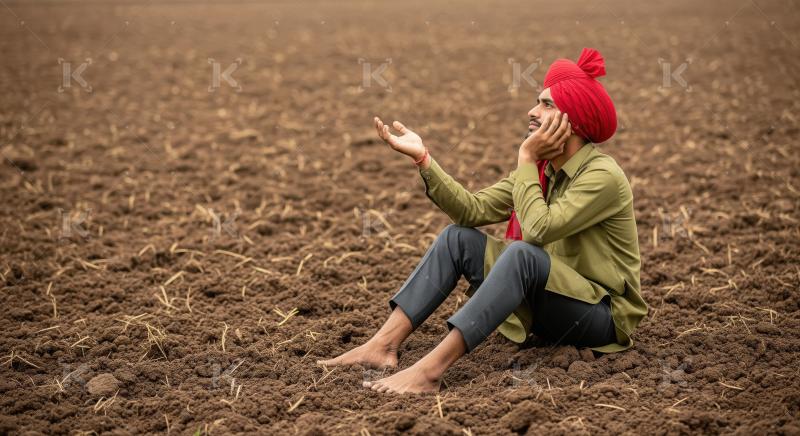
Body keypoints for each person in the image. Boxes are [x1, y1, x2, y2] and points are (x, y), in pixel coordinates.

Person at [317, 48, 648, 394]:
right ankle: (382, 346)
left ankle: (429, 372)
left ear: (572, 122)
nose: (532, 111)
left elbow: (538, 230)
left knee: (522, 255)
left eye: (546, 104)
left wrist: (526, 157)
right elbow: (472, 211)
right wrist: (424, 159)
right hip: (552, 301)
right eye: (537, 102)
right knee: (457, 238)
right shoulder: (542, 170)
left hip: (599, 318)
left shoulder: (602, 176)